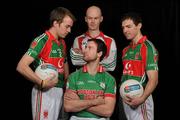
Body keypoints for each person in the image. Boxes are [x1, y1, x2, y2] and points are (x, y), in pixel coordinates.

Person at [16, 7, 76, 120]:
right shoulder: (42, 40)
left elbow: (64, 62)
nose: (69, 30)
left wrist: (67, 83)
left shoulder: (62, 42)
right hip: (45, 92)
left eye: (70, 27)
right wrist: (42, 83)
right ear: (55, 23)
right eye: (67, 26)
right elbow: (21, 66)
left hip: (60, 91)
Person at [64, 38, 116, 120]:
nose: (84, 50)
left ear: (99, 53)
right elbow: (68, 106)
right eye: (85, 47)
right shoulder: (73, 76)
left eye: (90, 48)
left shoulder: (109, 79)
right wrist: (94, 102)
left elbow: (108, 111)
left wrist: (80, 102)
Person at [120, 12, 159, 120]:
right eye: (123, 27)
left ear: (139, 26)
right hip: (126, 98)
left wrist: (142, 99)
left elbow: (153, 80)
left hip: (141, 98)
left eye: (129, 26)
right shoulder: (125, 50)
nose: (125, 30)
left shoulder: (147, 47)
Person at [70, 5, 117, 71]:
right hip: (82, 80)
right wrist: (98, 59)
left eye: (96, 18)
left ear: (101, 19)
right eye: (90, 18)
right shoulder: (78, 40)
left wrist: (85, 57)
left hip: (101, 80)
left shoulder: (110, 41)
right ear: (86, 19)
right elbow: (75, 61)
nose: (93, 21)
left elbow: (111, 66)